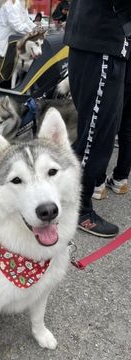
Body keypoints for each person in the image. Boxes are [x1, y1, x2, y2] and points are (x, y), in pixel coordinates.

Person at [64, 0, 131, 237]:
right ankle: (79, 208)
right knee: (96, 135)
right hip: (101, 42)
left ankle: (69, 197)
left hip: (100, 40)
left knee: (98, 130)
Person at [0, 0, 35, 78]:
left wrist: (37, 28)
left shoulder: (22, 3)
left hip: (9, 48)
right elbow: (17, 25)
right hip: (0, 46)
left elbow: (27, 21)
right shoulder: (10, 3)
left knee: (7, 79)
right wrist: (33, 31)